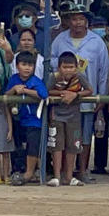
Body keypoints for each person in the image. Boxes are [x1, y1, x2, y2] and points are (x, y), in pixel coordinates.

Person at [2, 51, 46, 185]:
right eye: (24, 64)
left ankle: (29, 173)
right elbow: (6, 95)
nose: (27, 68)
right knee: (17, 146)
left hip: (34, 120)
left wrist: (26, 91)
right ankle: (17, 170)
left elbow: (43, 94)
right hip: (18, 119)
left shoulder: (35, 81)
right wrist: (14, 89)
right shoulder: (14, 79)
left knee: (33, 146)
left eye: (30, 65)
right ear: (17, 65)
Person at [44, 51, 87, 186]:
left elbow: (89, 90)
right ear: (59, 67)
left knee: (73, 146)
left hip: (74, 116)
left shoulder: (80, 76)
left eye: (71, 67)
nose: (68, 70)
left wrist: (75, 95)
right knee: (57, 146)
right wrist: (62, 93)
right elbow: (46, 91)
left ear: (76, 67)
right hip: (57, 115)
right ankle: (57, 176)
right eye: (65, 67)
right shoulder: (53, 77)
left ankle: (69, 176)